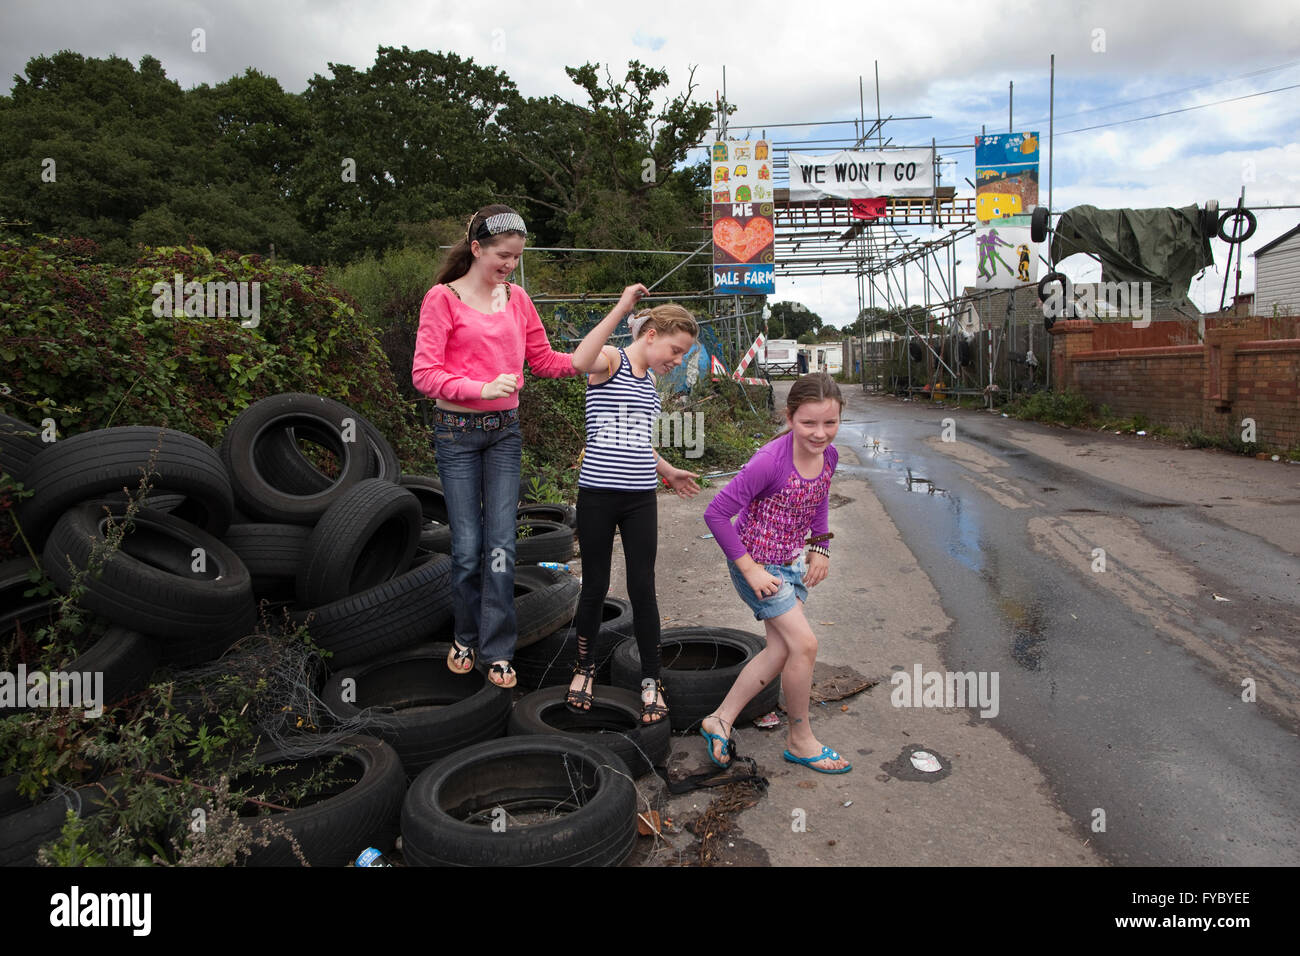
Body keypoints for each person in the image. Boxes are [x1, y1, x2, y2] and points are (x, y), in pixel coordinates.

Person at [412, 204, 627, 688]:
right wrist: (477, 388)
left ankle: (498, 650)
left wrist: (594, 355)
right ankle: (465, 637)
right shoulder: (441, 299)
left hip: (504, 433)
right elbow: (424, 374)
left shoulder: (517, 299)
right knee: (468, 547)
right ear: (476, 249)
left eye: (515, 258)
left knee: (502, 546)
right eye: (502, 256)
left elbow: (547, 361)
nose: (509, 265)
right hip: (456, 432)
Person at [699, 372, 852, 773]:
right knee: (805, 645)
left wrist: (821, 545)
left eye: (830, 423)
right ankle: (800, 739)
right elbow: (715, 514)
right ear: (789, 418)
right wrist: (749, 570)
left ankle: (720, 719)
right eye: (809, 423)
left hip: (789, 564)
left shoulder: (829, 456)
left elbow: (818, 498)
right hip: (757, 566)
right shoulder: (769, 461)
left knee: (781, 650)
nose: (820, 434)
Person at [564, 303, 702, 723]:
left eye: (682, 356)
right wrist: (623, 308)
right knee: (595, 586)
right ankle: (584, 669)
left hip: (641, 496)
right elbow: (578, 360)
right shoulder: (610, 361)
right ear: (651, 335)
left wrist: (669, 471)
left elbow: (640, 442)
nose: (676, 361)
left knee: (644, 588)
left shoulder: (649, 387)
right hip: (598, 495)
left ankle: (650, 679)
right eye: (675, 351)